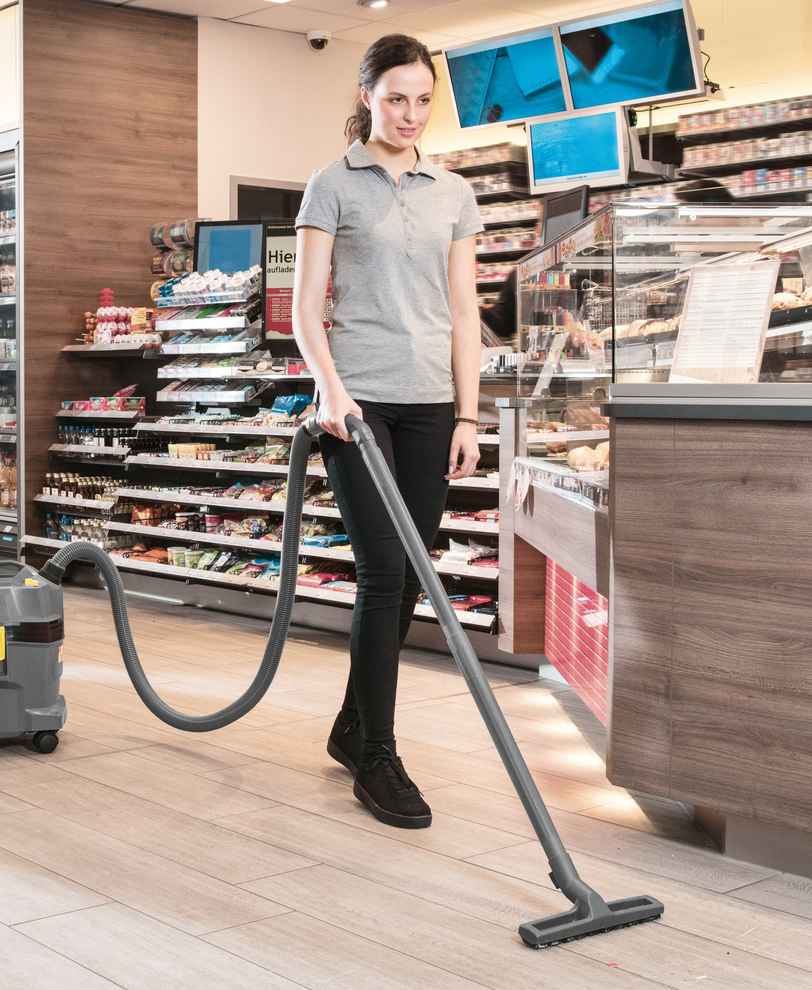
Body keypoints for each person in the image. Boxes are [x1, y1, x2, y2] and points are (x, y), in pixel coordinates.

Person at [292, 34, 483, 830]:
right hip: (358, 405)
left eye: (422, 99)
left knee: (412, 577)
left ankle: (351, 727)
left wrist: (469, 412)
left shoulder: (454, 192)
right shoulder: (331, 185)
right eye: (395, 97)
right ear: (368, 95)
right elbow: (306, 305)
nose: (409, 114)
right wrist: (331, 392)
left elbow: (465, 310)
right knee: (380, 573)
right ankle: (379, 755)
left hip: (433, 405)